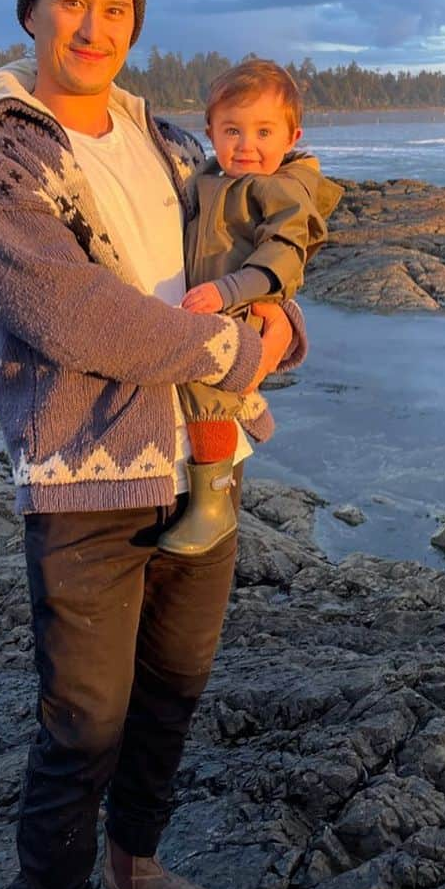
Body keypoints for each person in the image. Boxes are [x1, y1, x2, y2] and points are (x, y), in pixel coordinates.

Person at [0, 0, 302, 889]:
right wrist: (234, 345)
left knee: (171, 694)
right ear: (32, 11)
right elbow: (73, 312)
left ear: (134, 23)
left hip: (207, 467)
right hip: (85, 483)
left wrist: (281, 329)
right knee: (83, 725)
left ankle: (133, 868)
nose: (93, 25)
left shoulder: (177, 147)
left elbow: (253, 263)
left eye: (115, 8)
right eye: (72, 1)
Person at [161, 60, 342, 554]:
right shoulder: (209, 175)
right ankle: (250, 413)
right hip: (210, 298)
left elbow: (284, 255)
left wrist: (229, 293)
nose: (246, 145)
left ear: (292, 135)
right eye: (232, 130)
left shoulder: (280, 188)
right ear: (210, 132)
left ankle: (213, 505)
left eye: (264, 131)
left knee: (208, 396)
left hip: (237, 305)